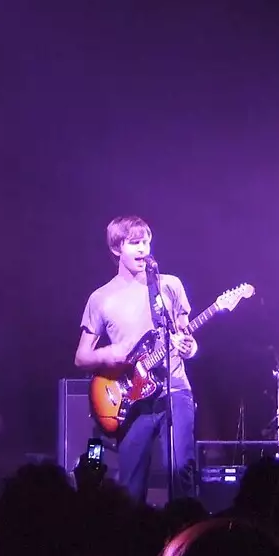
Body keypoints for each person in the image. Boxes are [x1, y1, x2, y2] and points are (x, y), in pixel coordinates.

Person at [74, 215, 197, 502]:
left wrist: (189, 348)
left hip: (174, 389)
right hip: (131, 400)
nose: (143, 249)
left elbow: (185, 336)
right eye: (135, 243)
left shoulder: (169, 286)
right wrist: (108, 353)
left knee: (181, 470)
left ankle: (185, 536)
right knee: (130, 487)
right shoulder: (101, 298)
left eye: (146, 242)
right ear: (117, 248)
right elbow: (81, 357)